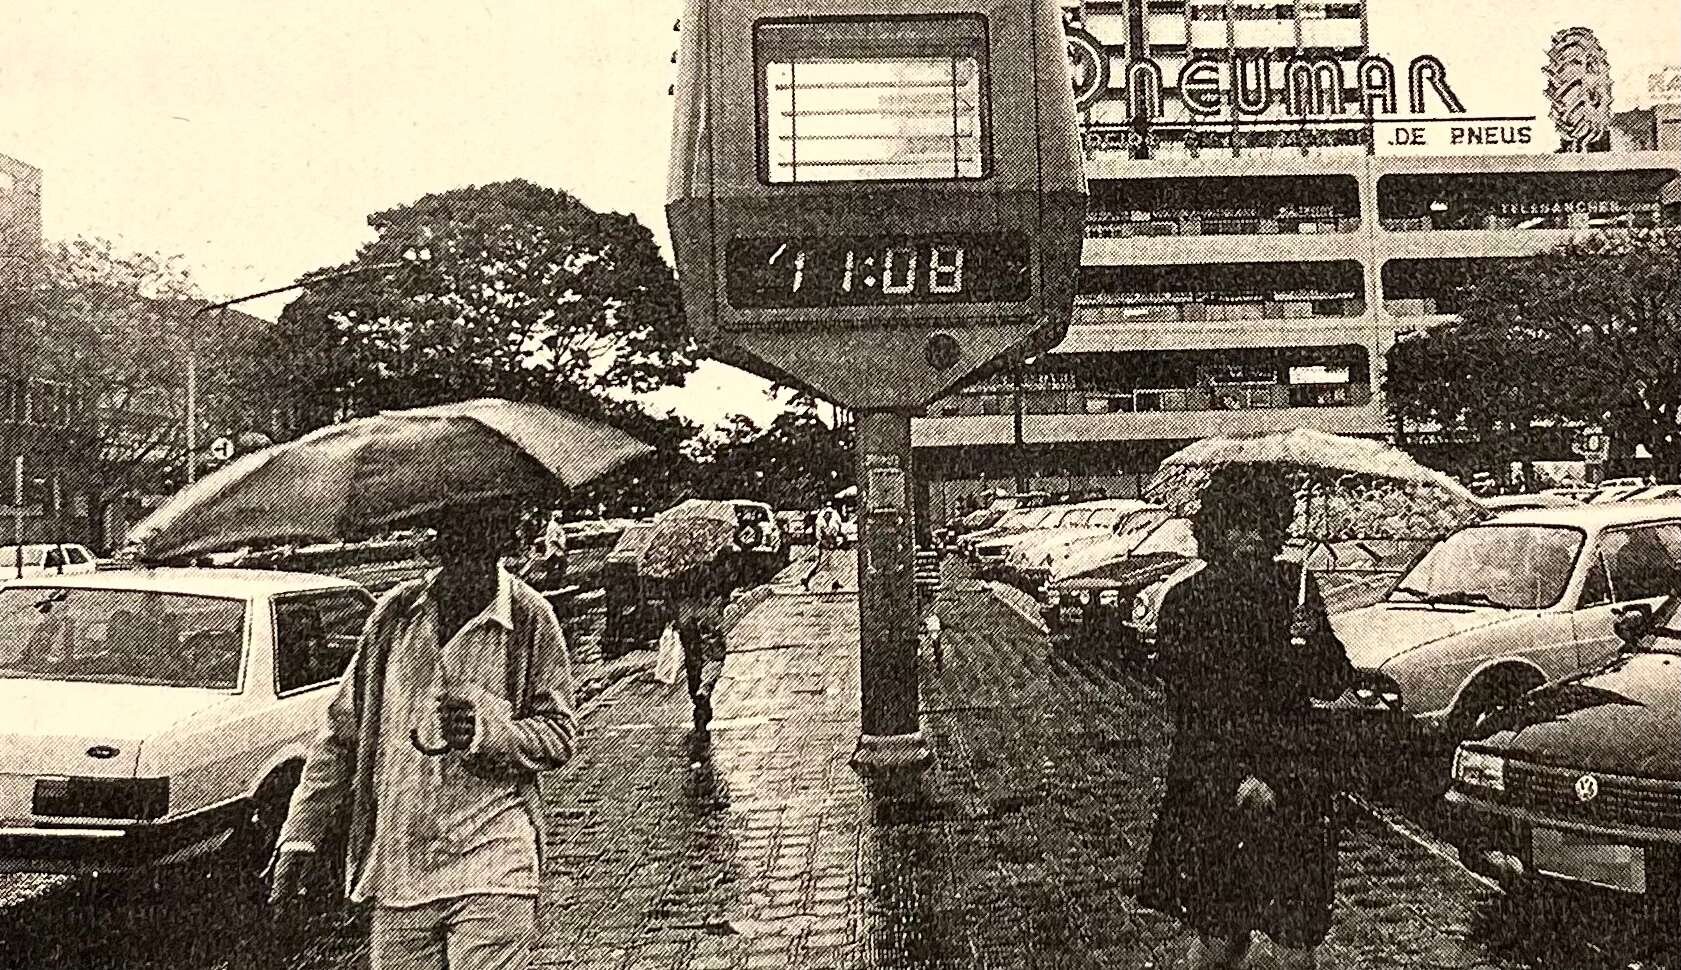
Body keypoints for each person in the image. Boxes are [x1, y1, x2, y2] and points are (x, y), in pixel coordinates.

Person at [267, 499, 578, 970]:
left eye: (482, 535)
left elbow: (558, 734)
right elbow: (339, 737)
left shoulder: (530, 619)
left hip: (494, 860)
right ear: (436, 537)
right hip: (399, 868)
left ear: (503, 540)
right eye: (452, 534)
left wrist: (487, 734)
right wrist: (300, 835)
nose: (466, 552)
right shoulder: (394, 617)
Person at [1136, 467, 1356, 970]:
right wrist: (1241, 777)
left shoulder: (1294, 588)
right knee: (1220, 939)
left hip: (1295, 785)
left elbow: (1329, 683)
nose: (1252, 539)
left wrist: (1314, 638)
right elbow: (1195, 707)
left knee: (1296, 942)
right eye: (1238, 525)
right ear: (1214, 530)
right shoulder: (1186, 603)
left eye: (1262, 525)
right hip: (1217, 786)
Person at [801, 502, 845, 591]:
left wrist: (836, 540)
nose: (828, 515)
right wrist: (824, 542)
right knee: (821, 564)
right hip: (824, 544)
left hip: (832, 542)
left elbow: (839, 528)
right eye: (827, 513)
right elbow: (818, 534)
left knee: (832, 564)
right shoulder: (820, 520)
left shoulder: (835, 517)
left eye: (830, 513)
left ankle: (835, 582)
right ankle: (807, 578)